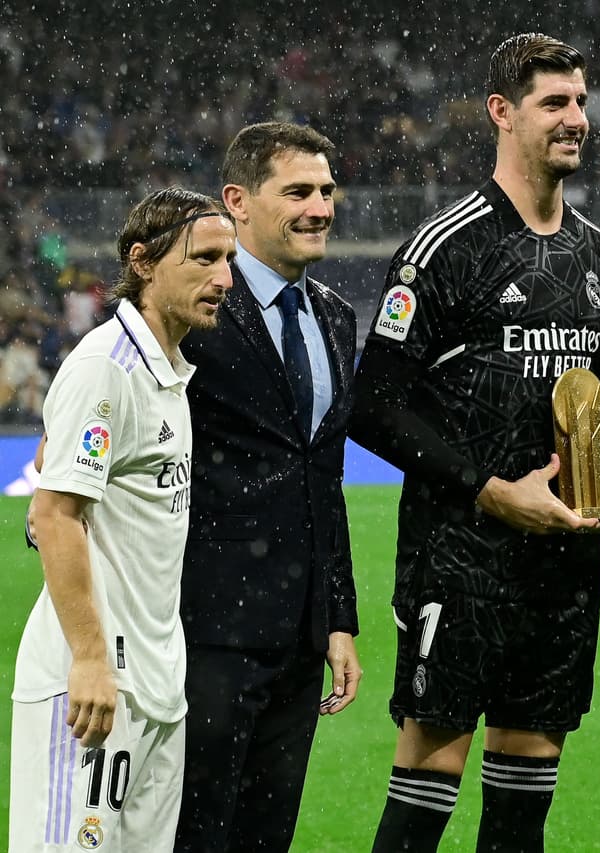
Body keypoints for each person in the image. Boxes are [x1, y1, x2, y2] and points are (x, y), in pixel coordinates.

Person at [351, 33, 600, 852]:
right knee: (426, 788)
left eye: (581, 102)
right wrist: (487, 486)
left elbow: (595, 397)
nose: (575, 119)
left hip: (564, 567)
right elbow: (373, 406)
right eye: (554, 103)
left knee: (524, 802)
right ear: (502, 113)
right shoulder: (444, 248)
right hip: (460, 559)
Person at [10, 188, 236, 852]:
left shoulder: (168, 371)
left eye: (227, 260)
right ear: (143, 261)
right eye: (204, 259)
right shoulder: (106, 369)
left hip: (157, 690)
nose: (223, 278)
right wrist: (88, 659)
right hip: (91, 690)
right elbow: (53, 517)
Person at [174, 122, 362, 852]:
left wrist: (338, 617)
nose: (319, 207)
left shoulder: (337, 318)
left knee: (267, 834)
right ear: (237, 202)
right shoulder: (191, 311)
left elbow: (326, 477)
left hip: (298, 637)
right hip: (206, 628)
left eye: (325, 190)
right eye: (297, 191)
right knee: (194, 830)